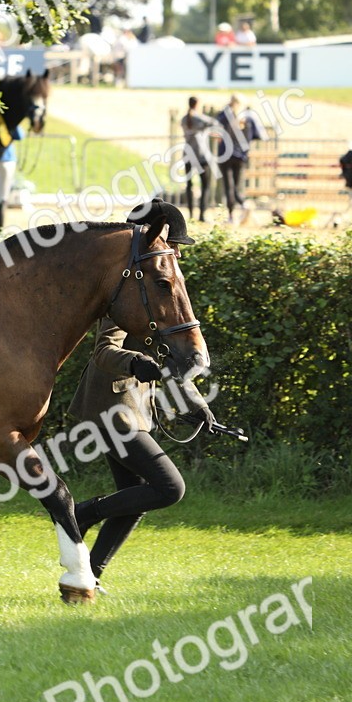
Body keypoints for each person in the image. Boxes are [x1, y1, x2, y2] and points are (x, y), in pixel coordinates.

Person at [68, 200, 215, 591]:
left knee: (134, 501)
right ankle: (83, 514)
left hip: (132, 411)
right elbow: (104, 352)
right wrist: (135, 364)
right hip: (110, 411)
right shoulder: (124, 292)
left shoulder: (157, 289)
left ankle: (89, 577)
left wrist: (193, 400)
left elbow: (168, 356)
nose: (177, 252)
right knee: (169, 489)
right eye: (171, 241)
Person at [216, 94, 263, 223]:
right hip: (241, 155)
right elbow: (258, 135)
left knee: (228, 187)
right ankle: (244, 204)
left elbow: (215, 130)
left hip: (225, 154)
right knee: (237, 187)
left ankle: (232, 216)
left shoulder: (224, 116)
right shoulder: (248, 117)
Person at [180, 96, 218, 222]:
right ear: (197, 104)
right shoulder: (198, 118)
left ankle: (191, 214)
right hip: (201, 156)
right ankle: (201, 215)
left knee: (189, 185)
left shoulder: (184, 119)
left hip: (188, 154)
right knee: (205, 186)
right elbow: (213, 122)